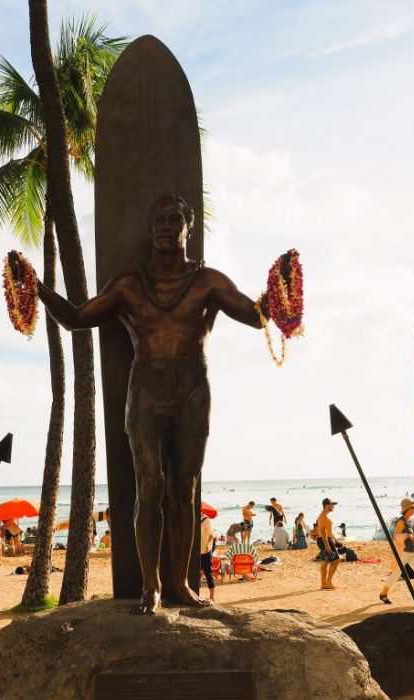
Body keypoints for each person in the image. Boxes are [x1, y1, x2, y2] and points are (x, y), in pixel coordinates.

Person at [20, 195, 276, 614]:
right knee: (150, 486)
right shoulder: (128, 285)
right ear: (150, 228)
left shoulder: (209, 281)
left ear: (188, 227)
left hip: (193, 389)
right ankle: (151, 585)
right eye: (159, 219)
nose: (166, 225)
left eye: (175, 219)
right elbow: (77, 318)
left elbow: (255, 315)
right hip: (145, 392)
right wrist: (38, 288)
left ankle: (178, 583)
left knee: (184, 489)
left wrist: (282, 290)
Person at [379, 498, 414, 606]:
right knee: (396, 574)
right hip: (404, 552)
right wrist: (406, 535)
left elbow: (410, 536)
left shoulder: (409, 521)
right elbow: (395, 536)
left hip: (411, 552)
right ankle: (383, 593)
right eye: (413, 508)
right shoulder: (401, 521)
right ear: (408, 509)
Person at [316, 499, 340, 589]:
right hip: (325, 540)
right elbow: (322, 531)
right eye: (332, 504)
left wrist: (335, 540)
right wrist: (327, 545)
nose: (333, 506)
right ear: (327, 505)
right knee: (336, 560)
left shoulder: (323, 516)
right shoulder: (323, 517)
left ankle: (324, 583)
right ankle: (328, 582)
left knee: (325, 562)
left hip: (323, 539)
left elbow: (325, 530)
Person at [200, 513, 216, 602]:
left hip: (206, 551)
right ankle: (197, 595)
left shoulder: (206, 520)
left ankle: (212, 597)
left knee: (208, 573)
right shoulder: (191, 518)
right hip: (195, 552)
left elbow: (212, 535)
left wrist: (208, 546)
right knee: (195, 574)